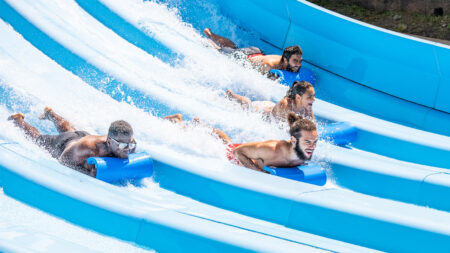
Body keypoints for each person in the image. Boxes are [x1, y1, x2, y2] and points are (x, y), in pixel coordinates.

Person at [8, 107, 136, 176]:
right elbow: (63, 161)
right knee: (37, 139)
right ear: (109, 142)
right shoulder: (89, 150)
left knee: (71, 130)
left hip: (82, 136)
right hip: (66, 144)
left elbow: (128, 146)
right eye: (123, 145)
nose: (128, 149)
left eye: (130, 144)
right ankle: (18, 120)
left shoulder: (128, 142)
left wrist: (129, 145)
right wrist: (87, 173)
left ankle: (50, 113)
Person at [230, 112, 317, 173]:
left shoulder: (303, 153)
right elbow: (237, 151)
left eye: (315, 142)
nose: (313, 147)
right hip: (235, 160)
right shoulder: (271, 150)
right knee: (227, 145)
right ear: (294, 141)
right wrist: (257, 172)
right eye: (307, 142)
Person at [204, 28, 303, 74]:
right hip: (246, 57)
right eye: (295, 61)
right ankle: (208, 38)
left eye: (300, 61)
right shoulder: (270, 66)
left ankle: (211, 34)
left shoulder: (285, 60)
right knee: (223, 52)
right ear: (286, 60)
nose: (298, 64)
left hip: (257, 52)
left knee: (234, 48)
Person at [226, 80, 315, 121]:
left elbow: (312, 127)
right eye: (310, 97)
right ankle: (231, 95)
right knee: (247, 105)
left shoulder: (307, 107)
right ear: (298, 98)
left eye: (314, 96)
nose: (313, 99)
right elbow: (281, 128)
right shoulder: (285, 105)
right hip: (261, 111)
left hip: (271, 106)